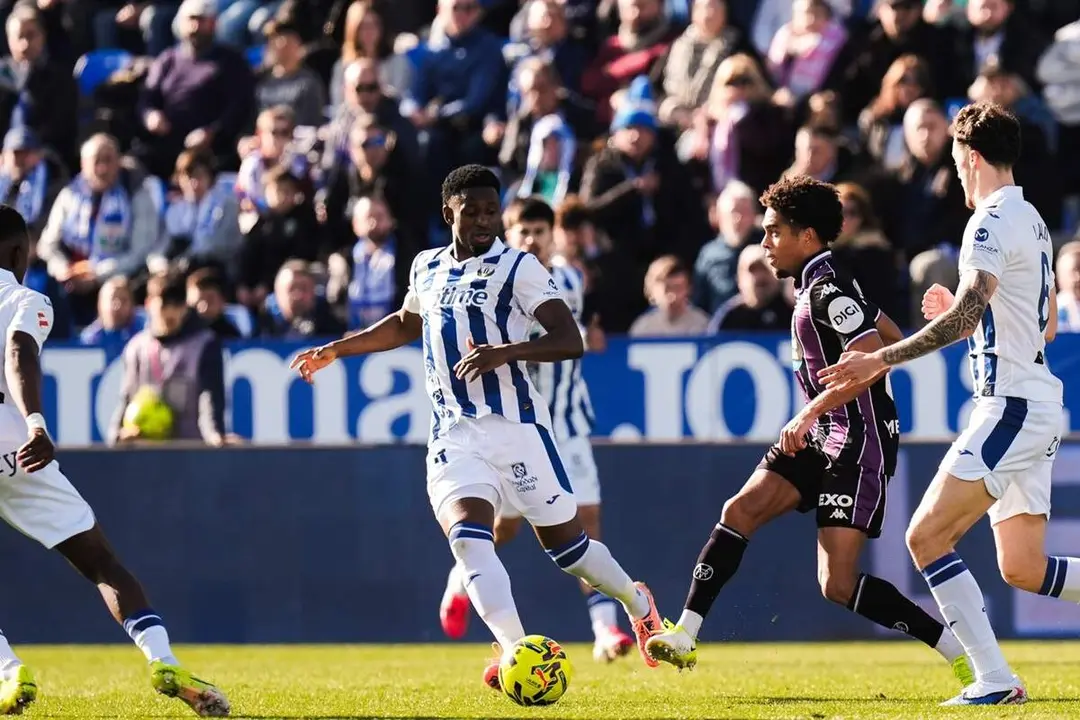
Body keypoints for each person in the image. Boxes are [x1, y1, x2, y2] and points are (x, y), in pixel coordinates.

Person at [290, 165, 663, 689]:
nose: (485, 220)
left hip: (516, 428)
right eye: (473, 211)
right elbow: (406, 323)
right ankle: (515, 651)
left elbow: (569, 339)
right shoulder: (426, 266)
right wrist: (338, 348)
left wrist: (504, 352)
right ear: (450, 213)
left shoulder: (519, 267)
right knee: (469, 541)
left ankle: (637, 602)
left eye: (492, 211)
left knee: (571, 553)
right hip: (453, 434)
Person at [644, 175, 974, 691]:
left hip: (858, 441)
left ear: (808, 235)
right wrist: (823, 410)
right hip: (825, 433)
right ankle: (686, 632)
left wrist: (806, 413)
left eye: (774, 231)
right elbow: (890, 336)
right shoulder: (820, 284)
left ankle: (956, 649)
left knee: (836, 585)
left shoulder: (828, 290)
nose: (764, 242)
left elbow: (872, 353)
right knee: (740, 510)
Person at [819, 102, 1071, 706]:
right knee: (1023, 566)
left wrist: (880, 359)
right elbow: (1045, 325)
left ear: (973, 157)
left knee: (926, 536)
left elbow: (968, 316)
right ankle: (995, 679)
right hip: (1033, 400)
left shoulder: (988, 222)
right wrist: (966, 317)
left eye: (957, 163)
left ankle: (994, 679)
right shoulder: (1033, 219)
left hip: (1011, 406)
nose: (956, 174)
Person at [0, 207, 228, 716]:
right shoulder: (26, 299)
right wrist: (36, 422)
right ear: (18, 254)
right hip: (18, 447)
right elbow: (18, 350)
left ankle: (8, 672)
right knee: (102, 563)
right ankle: (163, 660)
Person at [438, 197, 632, 663]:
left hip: (566, 423)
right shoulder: (489, 281)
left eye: (540, 231)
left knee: (586, 523)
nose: (531, 240)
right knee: (503, 528)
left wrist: (589, 334)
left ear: (552, 236)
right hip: (513, 424)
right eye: (522, 232)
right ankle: (460, 577)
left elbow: (571, 329)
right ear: (508, 233)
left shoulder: (570, 280)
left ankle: (604, 630)